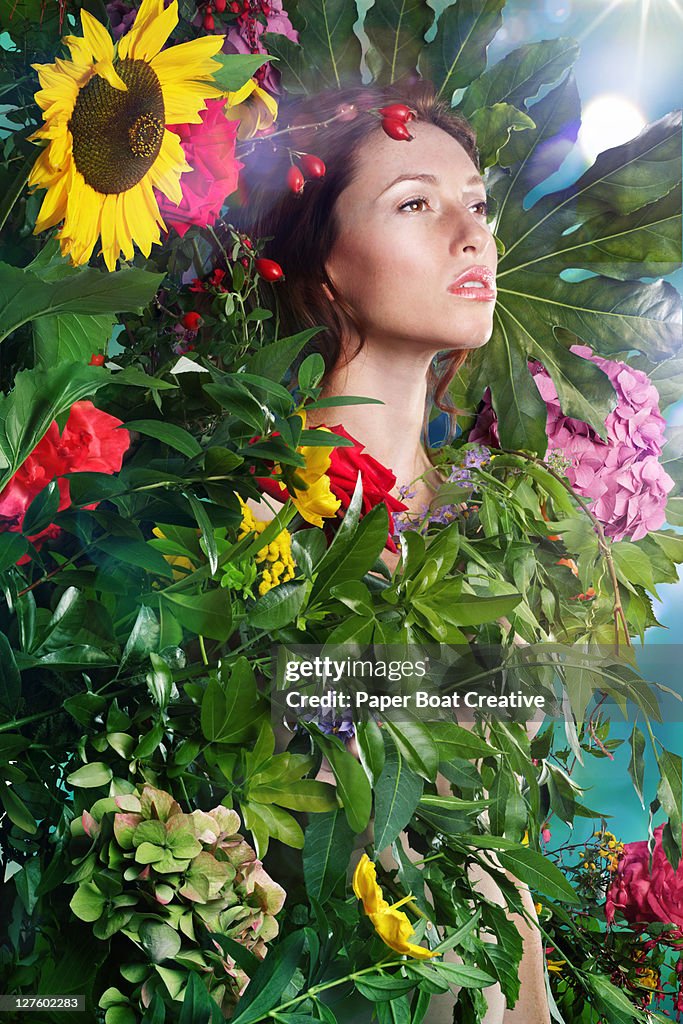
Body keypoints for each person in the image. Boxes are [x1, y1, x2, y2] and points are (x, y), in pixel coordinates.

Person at [237, 79, 550, 1023]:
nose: (470, 234)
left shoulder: (489, 529)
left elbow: (494, 856)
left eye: (476, 204)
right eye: (415, 202)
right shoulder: (247, 520)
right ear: (321, 269)